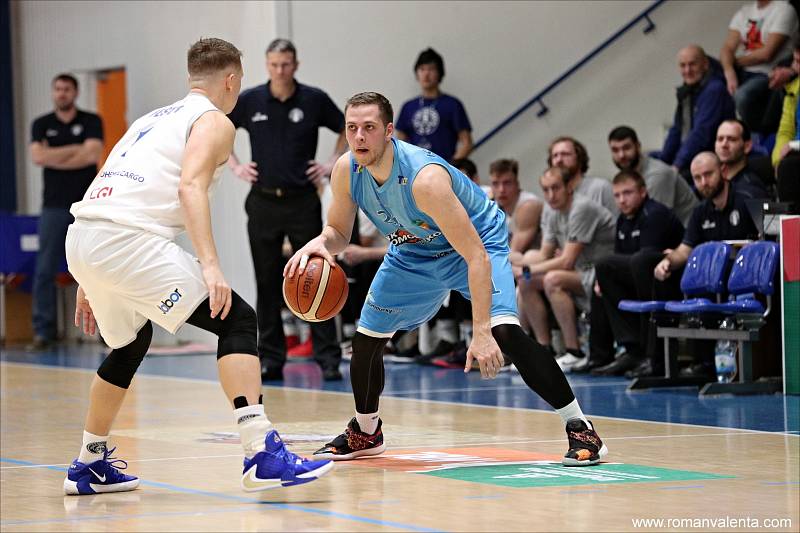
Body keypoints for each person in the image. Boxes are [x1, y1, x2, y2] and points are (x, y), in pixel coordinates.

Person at [62, 38, 332, 495]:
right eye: (240, 82)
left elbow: (103, 184)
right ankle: (261, 453)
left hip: (85, 234)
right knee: (239, 320)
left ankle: (89, 462)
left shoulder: (150, 119)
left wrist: (88, 276)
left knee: (130, 344)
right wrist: (211, 266)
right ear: (230, 81)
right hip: (127, 242)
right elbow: (190, 187)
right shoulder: (214, 121)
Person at [285, 92, 608, 466]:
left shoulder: (425, 180)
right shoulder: (346, 169)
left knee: (505, 332)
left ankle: (580, 426)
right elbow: (339, 232)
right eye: (352, 128)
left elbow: (475, 255)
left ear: (389, 131)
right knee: (366, 339)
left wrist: (482, 330)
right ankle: (366, 432)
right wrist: (320, 243)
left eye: (369, 128)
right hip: (413, 252)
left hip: (475, 245)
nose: (359, 137)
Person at [227, 38, 347, 382]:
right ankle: (271, 358)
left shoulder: (313, 99)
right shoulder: (250, 100)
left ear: (295, 65)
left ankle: (327, 358)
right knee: (266, 282)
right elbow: (220, 131)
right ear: (267, 65)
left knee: (319, 277)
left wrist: (331, 162)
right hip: (263, 200)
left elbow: (344, 128)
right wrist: (235, 166)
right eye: (274, 64)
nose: (280, 70)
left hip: (302, 202)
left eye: (286, 64)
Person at [652, 151, 759, 376]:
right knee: (689, 285)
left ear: (723, 171)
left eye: (708, 175)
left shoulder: (747, 199)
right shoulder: (700, 211)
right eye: (697, 178)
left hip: (746, 281)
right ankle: (701, 363)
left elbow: (765, 239)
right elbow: (685, 249)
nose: (703, 182)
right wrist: (668, 261)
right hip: (716, 282)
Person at [28, 73, 103, 350]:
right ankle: (43, 333)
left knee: (96, 268)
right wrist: (75, 151)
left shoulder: (91, 121)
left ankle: (107, 331)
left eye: (67, 89)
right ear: (53, 93)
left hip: (86, 206)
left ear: (75, 92)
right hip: (53, 207)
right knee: (44, 269)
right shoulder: (41, 124)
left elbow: (92, 155)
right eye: (57, 89)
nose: (62, 94)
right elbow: (37, 157)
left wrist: (54, 154)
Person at [515, 167, 616, 372]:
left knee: (552, 279)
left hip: (602, 274)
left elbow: (567, 261)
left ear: (569, 187)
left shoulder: (582, 208)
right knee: (527, 279)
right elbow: (544, 254)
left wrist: (525, 270)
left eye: (556, 188)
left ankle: (573, 351)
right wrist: (516, 267)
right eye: (546, 190)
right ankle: (544, 349)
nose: (551, 195)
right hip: (580, 272)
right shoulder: (552, 211)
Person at [589, 171, 685, 377]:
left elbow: (649, 260)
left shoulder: (654, 214)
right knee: (601, 275)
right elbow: (621, 260)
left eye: (627, 193)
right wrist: (602, 281)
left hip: (669, 280)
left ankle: (650, 353)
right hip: (641, 277)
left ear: (643, 192)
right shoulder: (623, 220)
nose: (622, 200)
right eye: (617, 195)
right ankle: (612, 353)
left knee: (629, 262)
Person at [720, 0, 798, 134]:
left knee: (743, 96)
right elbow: (727, 48)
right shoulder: (744, 12)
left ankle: (756, 138)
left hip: (769, 73)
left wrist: (734, 63)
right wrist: (729, 71)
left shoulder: (784, 9)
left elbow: (767, 54)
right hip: (743, 71)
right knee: (714, 85)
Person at [660, 45, 736, 181]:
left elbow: (701, 134)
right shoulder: (687, 91)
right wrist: (663, 162)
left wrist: (677, 165)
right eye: (683, 66)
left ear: (705, 65)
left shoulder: (714, 90)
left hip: (710, 158)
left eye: (692, 64)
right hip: (690, 155)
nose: (687, 70)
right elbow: (677, 129)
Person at [607, 125, 697, 225]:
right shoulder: (626, 176)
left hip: (688, 234)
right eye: (615, 150)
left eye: (626, 148)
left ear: (638, 146)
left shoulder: (657, 174)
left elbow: (657, 221)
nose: (621, 155)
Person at [395, 48, 473, 162]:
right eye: (422, 69)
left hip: (444, 170)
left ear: (439, 73)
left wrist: (451, 167)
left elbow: (467, 142)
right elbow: (400, 143)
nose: (426, 74)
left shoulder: (453, 105)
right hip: (415, 172)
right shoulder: (408, 107)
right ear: (417, 73)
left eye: (431, 69)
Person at [548, 136, 617, 215]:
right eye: (555, 156)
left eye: (565, 154)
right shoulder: (552, 198)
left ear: (579, 158)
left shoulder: (601, 188)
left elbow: (618, 223)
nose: (559, 160)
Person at [772, 36, 800, 205]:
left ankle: (790, 229)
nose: (794, 67)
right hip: (792, 155)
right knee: (750, 170)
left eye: (798, 62)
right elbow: (785, 131)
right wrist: (777, 160)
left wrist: (793, 146)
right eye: (795, 61)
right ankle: (773, 231)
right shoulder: (794, 89)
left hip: (795, 154)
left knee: (789, 169)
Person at [714, 119, 770, 198]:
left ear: (747, 146)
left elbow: (769, 210)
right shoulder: (710, 181)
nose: (724, 144)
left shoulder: (752, 190)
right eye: (720, 139)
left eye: (732, 139)